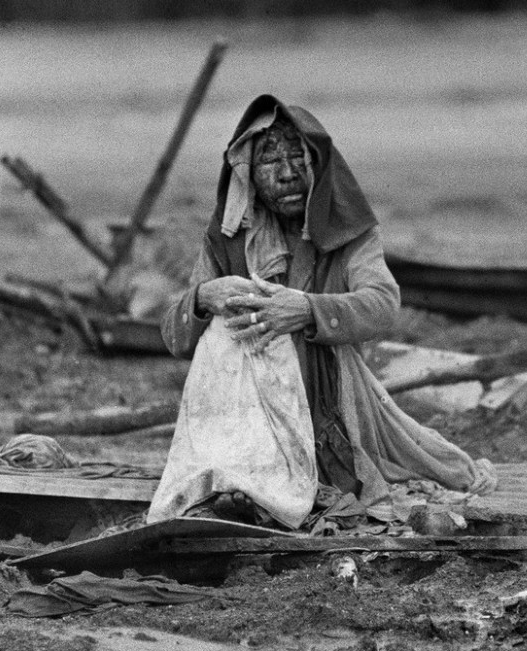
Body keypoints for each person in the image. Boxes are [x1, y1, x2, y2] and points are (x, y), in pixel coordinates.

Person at [150, 95, 495, 527]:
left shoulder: (348, 233)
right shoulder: (228, 236)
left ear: (317, 165)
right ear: (249, 176)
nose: (288, 172)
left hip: (327, 396)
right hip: (242, 408)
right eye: (270, 161)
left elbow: (383, 305)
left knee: (375, 475)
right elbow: (173, 335)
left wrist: (308, 310)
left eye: (298, 157)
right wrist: (204, 297)